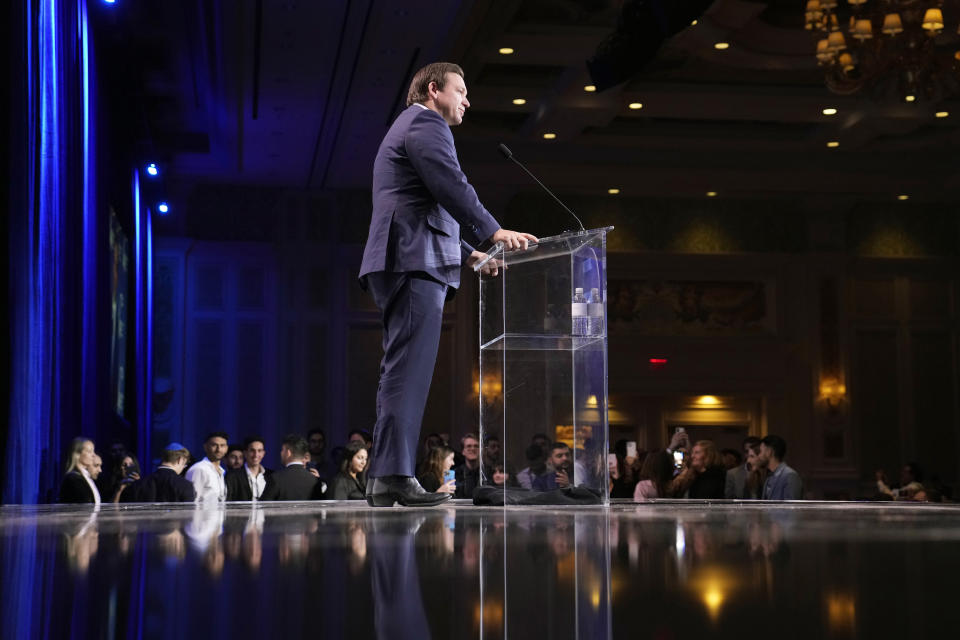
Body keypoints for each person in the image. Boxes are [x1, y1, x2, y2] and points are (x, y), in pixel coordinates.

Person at [359, 61, 537, 507]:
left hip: (408, 257)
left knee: (403, 372)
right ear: (433, 89)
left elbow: (420, 205)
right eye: (461, 91)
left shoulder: (409, 126)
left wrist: (469, 253)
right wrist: (491, 231)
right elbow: (449, 185)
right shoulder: (426, 123)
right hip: (413, 262)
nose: (467, 100)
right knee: (407, 373)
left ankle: (387, 477)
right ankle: (393, 476)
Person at [121, 443, 196, 502]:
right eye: (184, 464)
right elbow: (188, 518)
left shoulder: (138, 484)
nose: (183, 467)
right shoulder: (185, 486)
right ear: (180, 460)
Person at [262, 434, 322, 501]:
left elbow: (263, 507)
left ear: (288, 453)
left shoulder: (276, 479)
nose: (281, 453)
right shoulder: (315, 480)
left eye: (282, 450)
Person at [186, 431, 229, 504]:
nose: (218, 449)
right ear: (205, 447)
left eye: (222, 445)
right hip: (202, 515)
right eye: (214, 445)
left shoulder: (222, 471)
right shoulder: (199, 469)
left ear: (226, 448)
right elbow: (191, 501)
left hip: (218, 514)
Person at [757, 434, 803, 500]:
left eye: (760, 451)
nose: (759, 456)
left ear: (769, 452)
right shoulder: (769, 477)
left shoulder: (790, 475)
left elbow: (792, 508)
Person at [226, 436, 271, 501]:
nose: (256, 455)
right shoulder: (232, 476)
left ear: (263, 453)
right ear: (245, 453)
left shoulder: (271, 475)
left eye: (259, 451)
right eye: (252, 451)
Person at [58, 437, 101, 505]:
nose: (94, 455)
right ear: (77, 454)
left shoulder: (85, 477)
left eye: (93, 451)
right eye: (90, 451)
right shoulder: (73, 479)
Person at [454, 433, 482, 499]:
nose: (473, 449)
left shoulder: (487, 473)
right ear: (463, 451)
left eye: (476, 446)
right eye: (469, 446)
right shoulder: (455, 473)